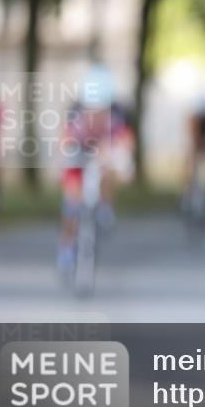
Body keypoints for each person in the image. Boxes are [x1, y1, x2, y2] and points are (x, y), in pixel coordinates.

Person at [57, 64, 133, 272]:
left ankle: (105, 206)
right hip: (79, 151)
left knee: (107, 171)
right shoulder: (75, 112)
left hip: (104, 153)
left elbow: (125, 142)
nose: (96, 113)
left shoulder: (118, 113)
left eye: (101, 108)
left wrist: (124, 164)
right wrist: (64, 160)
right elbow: (64, 141)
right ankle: (67, 245)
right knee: (71, 200)